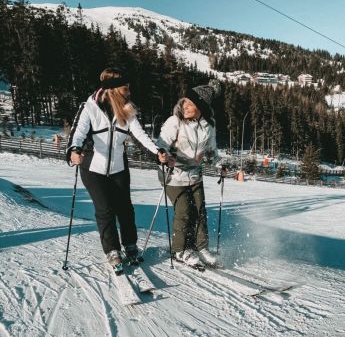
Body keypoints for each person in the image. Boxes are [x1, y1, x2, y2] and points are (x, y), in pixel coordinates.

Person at [66, 67, 166, 271]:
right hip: (93, 168)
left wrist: (157, 153)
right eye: (125, 88)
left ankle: (130, 245)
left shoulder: (127, 109)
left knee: (126, 209)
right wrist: (73, 151)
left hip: (119, 168)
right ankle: (112, 250)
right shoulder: (90, 107)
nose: (129, 92)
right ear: (112, 89)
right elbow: (77, 133)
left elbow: (140, 136)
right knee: (105, 210)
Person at [156, 80, 227, 269]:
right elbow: (161, 143)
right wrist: (164, 155)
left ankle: (201, 247)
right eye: (185, 102)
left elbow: (211, 152)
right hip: (173, 175)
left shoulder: (208, 127)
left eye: (190, 103)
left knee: (200, 211)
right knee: (184, 211)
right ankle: (180, 250)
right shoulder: (175, 122)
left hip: (195, 175)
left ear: (201, 107)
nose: (185, 106)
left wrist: (219, 165)